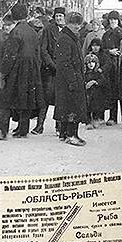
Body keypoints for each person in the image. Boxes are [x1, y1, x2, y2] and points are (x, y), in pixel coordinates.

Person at [0, 4, 42, 141]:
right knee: (25, 99)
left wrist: (3, 73)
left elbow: (9, 55)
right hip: (31, 69)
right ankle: (23, 130)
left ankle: (2, 131)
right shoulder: (32, 32)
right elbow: (37, 53)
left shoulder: (15, 32)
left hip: (16, 70)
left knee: (4, 99)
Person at [53, 12, 87, 146]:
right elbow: (64, 62)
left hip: (71, 77)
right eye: (74, 23)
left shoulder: (71, 37)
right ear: (67, 23)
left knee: (68, 106)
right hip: (69, 79)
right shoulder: (66, 38)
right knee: (72, 106)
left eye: (79, 23)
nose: (77, 26)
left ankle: (64, 134)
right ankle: (71, 134)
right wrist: (72, 80)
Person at [36, 6, 64, 135]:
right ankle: (39, 125)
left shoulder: (68, 31)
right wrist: (51, 64)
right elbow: (43, 49)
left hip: (62, 71)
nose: (59, 18)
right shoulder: (48, 29)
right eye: (57, 16)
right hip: (49, 70)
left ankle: (59, 127)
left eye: (61, 16)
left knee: (60, 99)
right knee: (45, 98)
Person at [83, 53, 106, 128]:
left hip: (97, 94)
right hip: (87, 94)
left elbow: (102, 80)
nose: (91, 64)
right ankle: (88, 121)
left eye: (93, 62)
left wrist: (95, 82)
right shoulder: (84, 74)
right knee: (87, 108)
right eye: (89, 62)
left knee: (96, 107)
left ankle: (96, 119)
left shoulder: (98, 73)